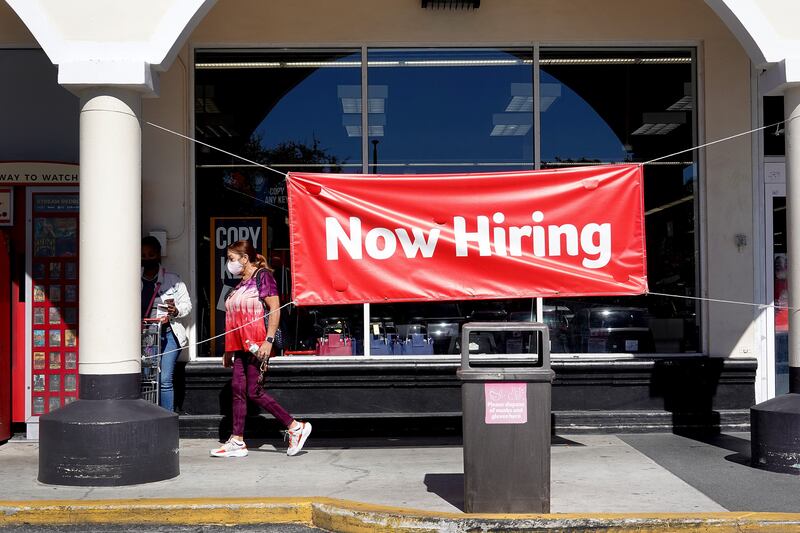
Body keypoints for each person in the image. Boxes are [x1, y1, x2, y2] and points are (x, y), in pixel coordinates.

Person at [210, 239, 311, 458]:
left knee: (253, 391)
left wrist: (269, 339)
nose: (229, 264)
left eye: (232, 259)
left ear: (245, 259)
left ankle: (295, 427)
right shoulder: (239, 284)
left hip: (257, 345)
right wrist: (228, 349)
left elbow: (275, 308)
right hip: (239, 347)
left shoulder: (262, 277)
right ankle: (237, 440)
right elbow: (234, 318)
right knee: (238, 390)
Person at [141, 236, 192, 413]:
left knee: (164, 379)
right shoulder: (132, 280)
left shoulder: (172, 280)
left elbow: (187, 305)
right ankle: (148, 416)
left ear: (159, 255)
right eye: (143, 255)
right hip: (146, 336)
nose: (147, 258)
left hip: (169, 334)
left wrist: (175, 311)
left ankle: (167, 419)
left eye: (151, 254)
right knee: (147, 377)